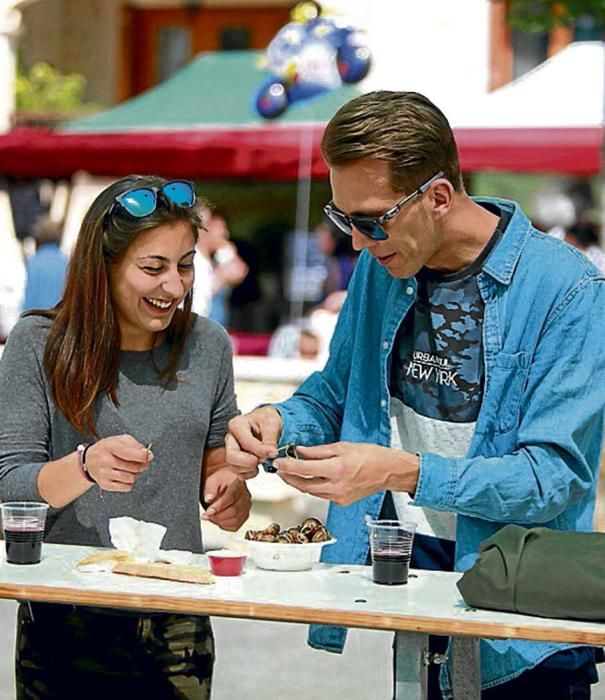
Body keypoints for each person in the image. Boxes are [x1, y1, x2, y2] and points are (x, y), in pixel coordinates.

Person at [225, 91, 605, 698]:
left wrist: (402, 472)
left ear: (439, 197)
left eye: (372, 220)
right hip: (411, 589)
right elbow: (336, 392)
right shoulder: (385, 262)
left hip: (523, 617)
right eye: (344, 219)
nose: (356, 242)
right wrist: (279, 420)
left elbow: (553, 479)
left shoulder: (570, 291)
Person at [0, 175, 251, 698]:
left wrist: (231, 487)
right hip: (62, 616)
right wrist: (85, 466)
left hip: (177, 622)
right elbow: (9, 490)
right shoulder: (37, 343)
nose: (174, 287)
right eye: (153, 268)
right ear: (103, 266)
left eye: (184, 265)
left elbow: (215, 462)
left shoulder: (208, 345)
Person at [191, 205, 248, 327]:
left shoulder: (212, 261)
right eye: (221, 228)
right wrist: (221, 277)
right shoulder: (193, 260)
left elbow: (240, 270)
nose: (226, 234)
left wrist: (228, 251)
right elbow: (197, 304)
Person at [22, 215, 69, 311]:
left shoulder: (32, 262)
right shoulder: (66, 262)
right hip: (59, 316)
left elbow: (28, 296)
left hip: (34, 317)